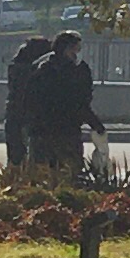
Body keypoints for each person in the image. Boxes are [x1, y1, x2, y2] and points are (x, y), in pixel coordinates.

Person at [37, 31, 99, 181]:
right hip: (61, 127)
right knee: (69, 169)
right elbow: (79, 102)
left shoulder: (45, 68)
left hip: (53, 127)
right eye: (74, 49)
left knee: (51, 172)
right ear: (65, 49)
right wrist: (95, 123)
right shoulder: (74, 71)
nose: (76, 54)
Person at [1, 34, 54, 174]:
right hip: (32, 115)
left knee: (15, 155)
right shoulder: (38, 70)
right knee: (36, 155)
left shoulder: (15, 67)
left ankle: (15, 176)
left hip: (14, 113)